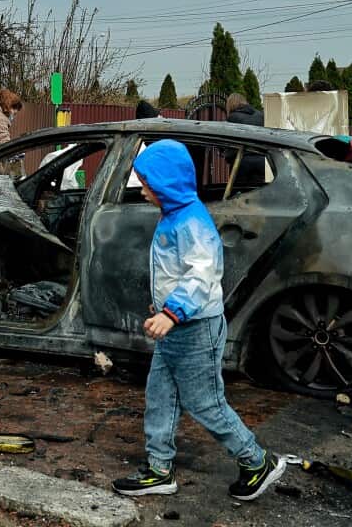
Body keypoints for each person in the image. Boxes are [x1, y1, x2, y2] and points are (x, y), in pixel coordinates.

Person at [113, 140, 286, 502]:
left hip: (195, 328)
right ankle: (159, 468)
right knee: (160, 396)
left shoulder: (191, 222)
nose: (142, 191)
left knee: (205, 402)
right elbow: (176, 271)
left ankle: (256, 461)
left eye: (148, 185)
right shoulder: (174, 216)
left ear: (168, 184)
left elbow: (201, 274)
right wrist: (163, 308)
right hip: (178, 328)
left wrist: (172, 311)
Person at [223, 94, 266, 184]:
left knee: (240, 192)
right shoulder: (260, 115)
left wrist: (227, 155)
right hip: (262, 160)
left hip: (241, 161)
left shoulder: (233, 117)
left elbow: (229, 140)